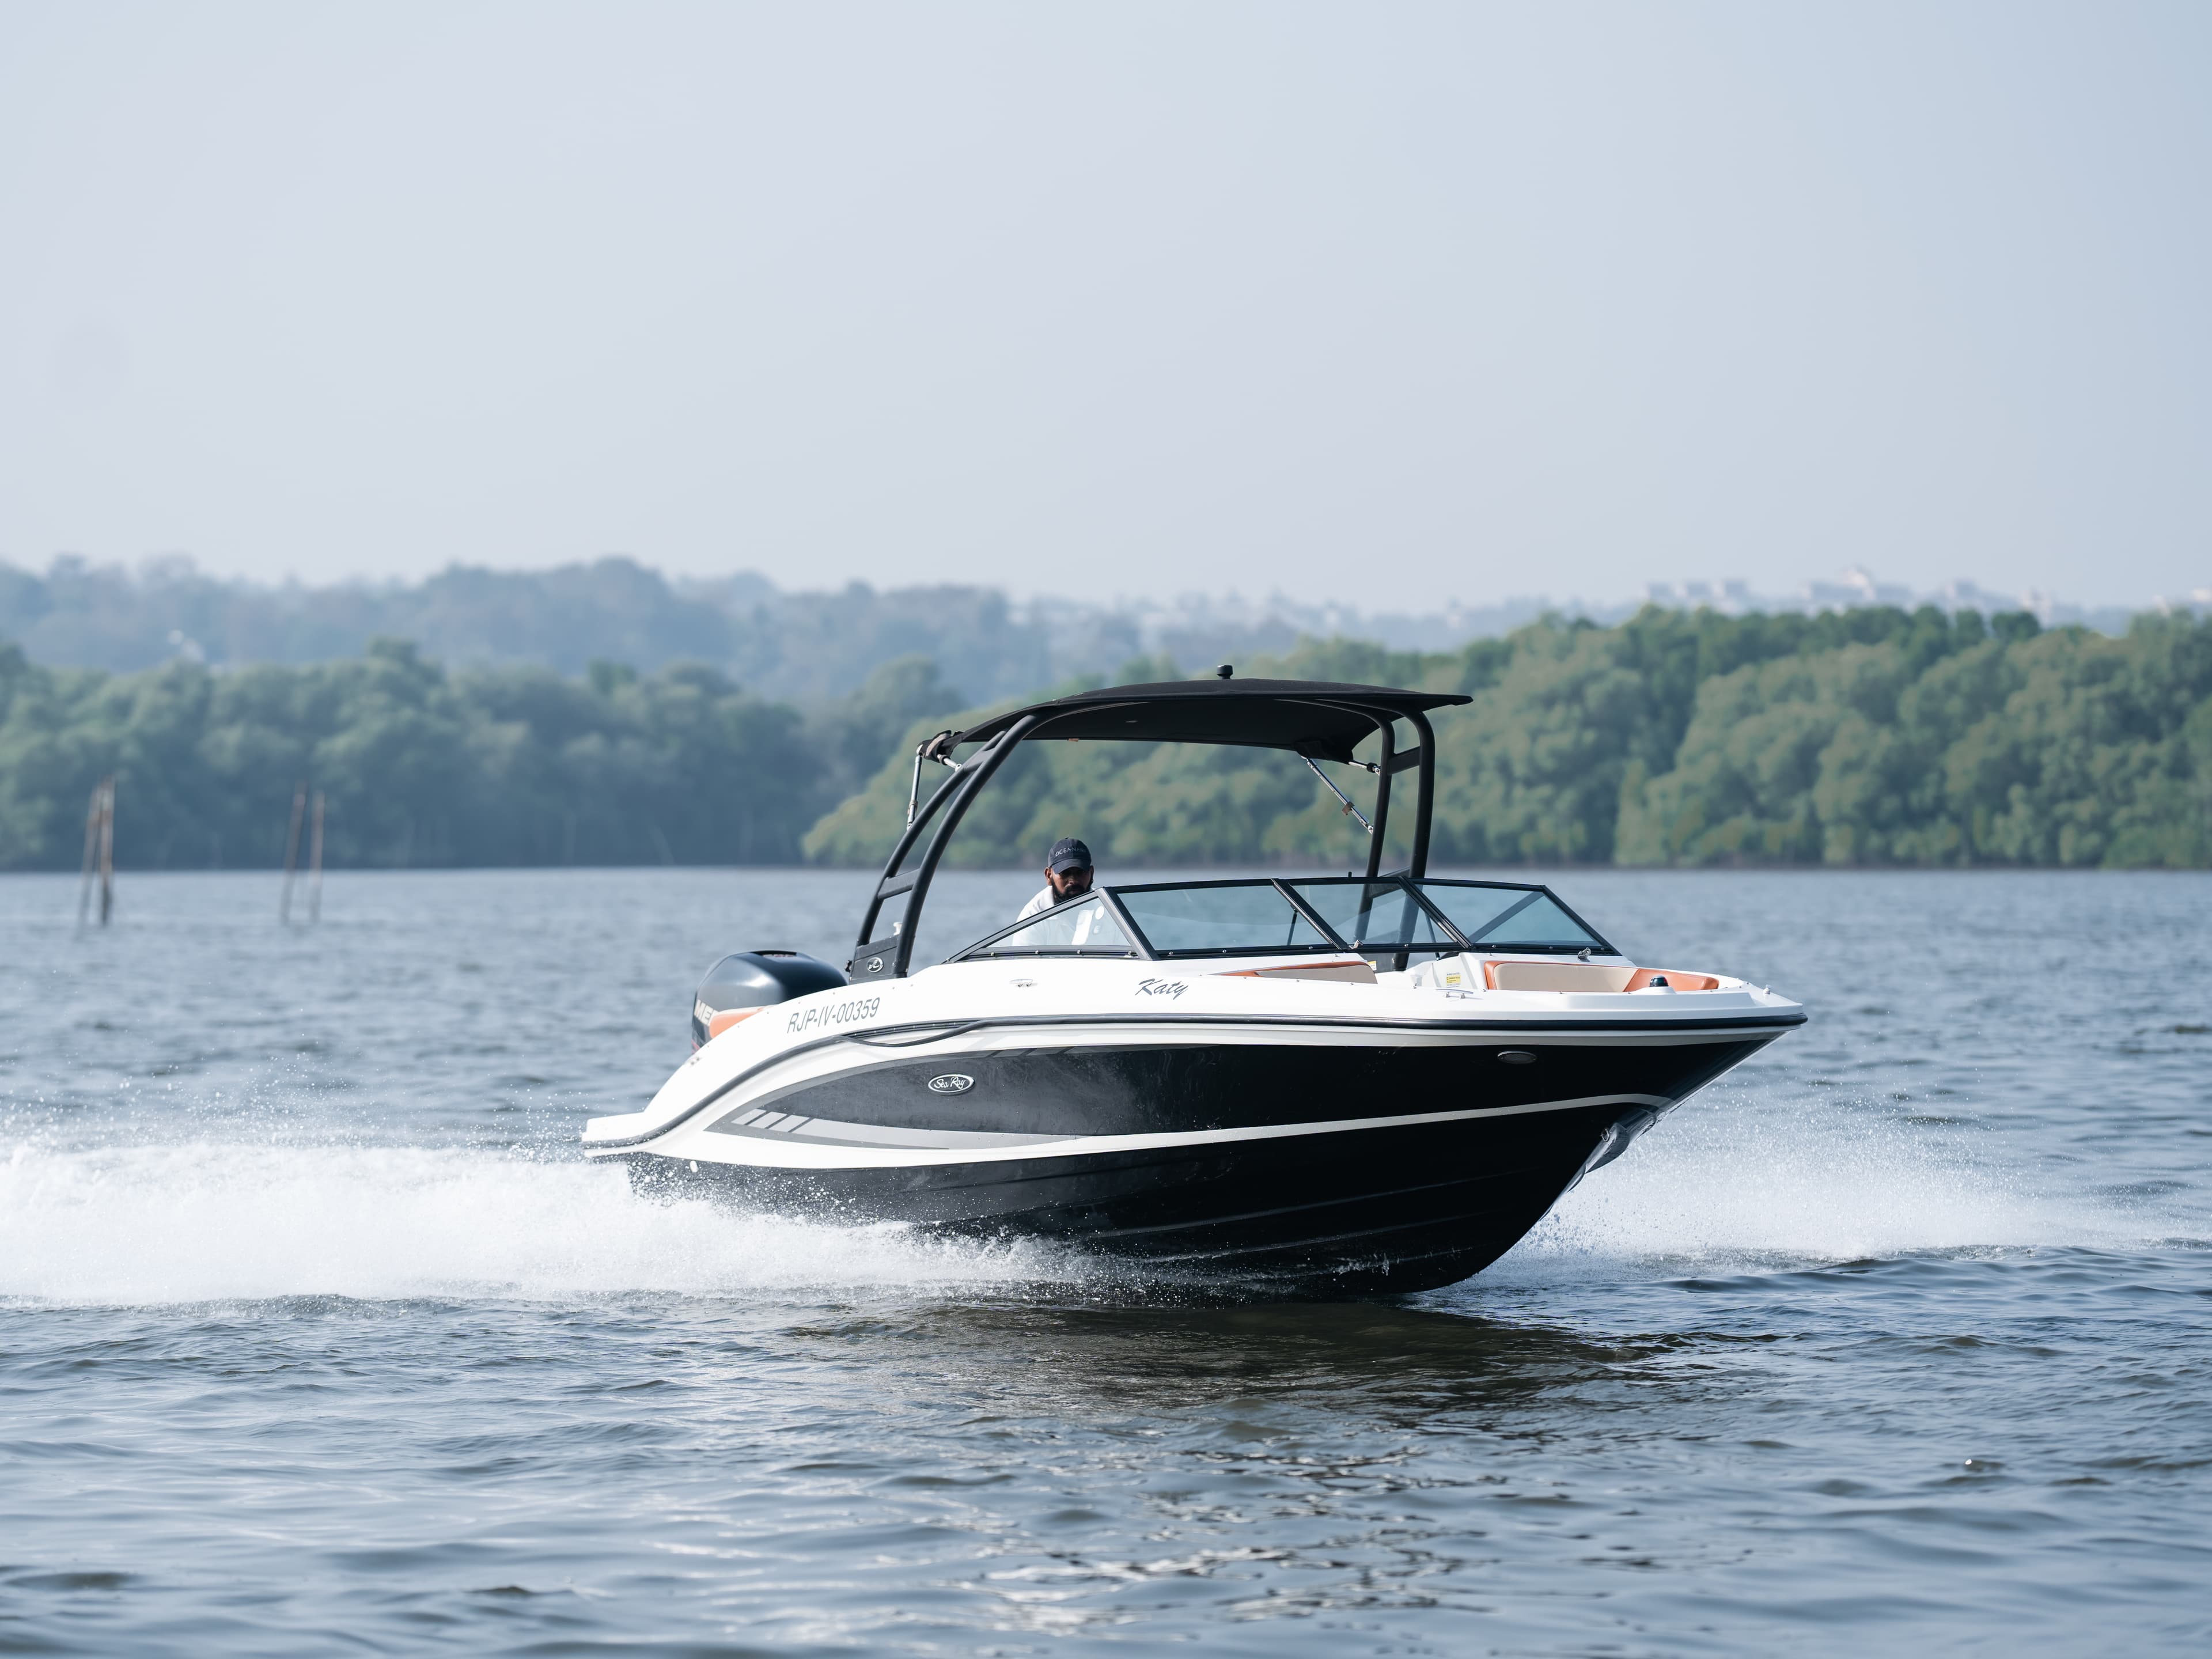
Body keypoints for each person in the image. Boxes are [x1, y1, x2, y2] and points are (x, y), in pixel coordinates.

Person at [1016, 838, 1094, 922]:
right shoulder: (1032, 915)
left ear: (1092, 873)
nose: (1074, 881)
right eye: (1065, 873)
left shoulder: (1103, 903)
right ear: (1049, 876)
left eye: (1081, 872)